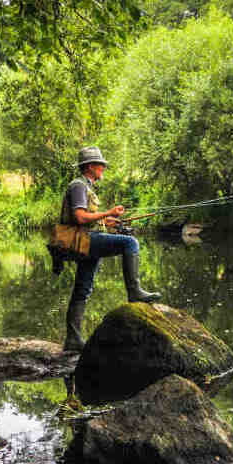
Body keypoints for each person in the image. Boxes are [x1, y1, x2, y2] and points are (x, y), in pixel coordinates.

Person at [62, 146, 160, 351]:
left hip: (84, 239)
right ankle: (134, 293)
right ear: (90, 166)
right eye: (101, 165)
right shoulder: (78, 186)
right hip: (82, 240)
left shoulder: (85, 186)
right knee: (130, 243)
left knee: (83, 288)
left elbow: (87, 218)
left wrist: (109, 220)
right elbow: (80, 217)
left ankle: (73, 339)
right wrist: (107, 212)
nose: (103, 169)